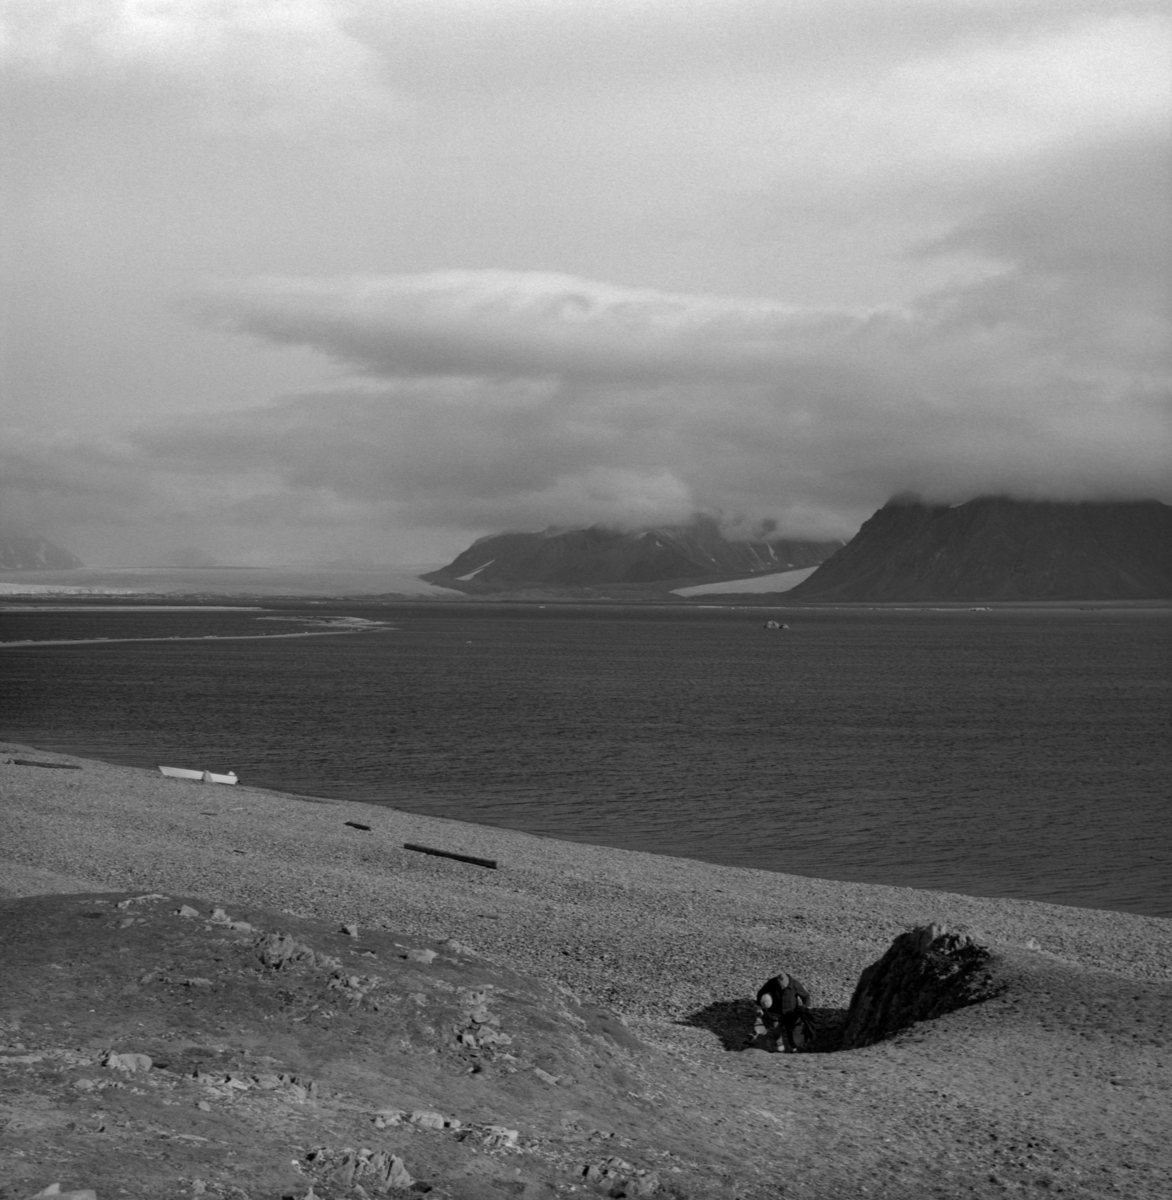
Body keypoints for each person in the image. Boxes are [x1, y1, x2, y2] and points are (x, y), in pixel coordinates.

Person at [754, 970, 812, 1053]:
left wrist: (807, 1007)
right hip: (775, 1012)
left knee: (791, 1032)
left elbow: (805, 996)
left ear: (787, 983)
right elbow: (761, 992)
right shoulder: (771, 983)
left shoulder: (795, 984)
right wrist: (759, 1006)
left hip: (790, 1012)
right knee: (776, 1031)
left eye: (783, 987)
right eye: (780, 986)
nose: (781, 988)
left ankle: (793, 1049)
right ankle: (780, 1050)